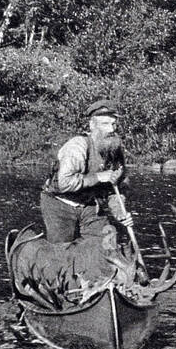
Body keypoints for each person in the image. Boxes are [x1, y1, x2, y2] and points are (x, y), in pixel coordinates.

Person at [40, 99, 134, 243]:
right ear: (92, 125)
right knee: (63, 251)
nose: (111, 129)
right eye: (105, 124)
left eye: (114, 124)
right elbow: (64, 183)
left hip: (89, 205)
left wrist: (120, 212)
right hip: (60, 205)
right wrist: (97, 177)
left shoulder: (115, 151)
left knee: (108, 245)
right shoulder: (77, 147)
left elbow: (117, 189)